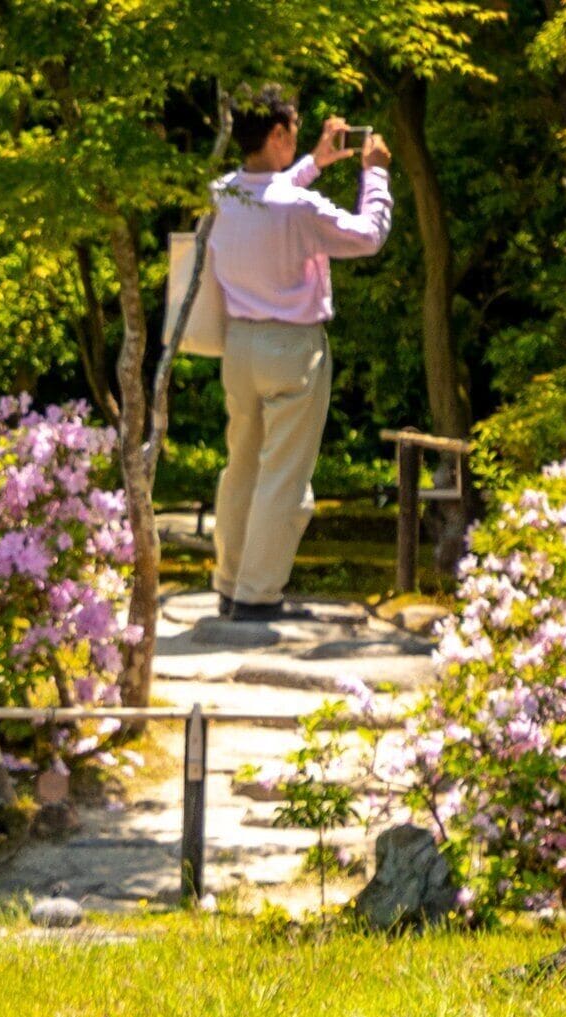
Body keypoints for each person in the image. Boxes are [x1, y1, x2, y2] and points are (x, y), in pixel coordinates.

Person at [204, 92, 390, 621]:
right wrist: (374, 174)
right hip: (292, 347)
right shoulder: (299, 206)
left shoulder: (220, 194)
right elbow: (369, 236)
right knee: (283, 475)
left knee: (240, 466)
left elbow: (269, 192)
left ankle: (231, 582)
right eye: (294, 129)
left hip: (238, 344)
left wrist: (316, 162)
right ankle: (257, 596)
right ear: (278, 135)